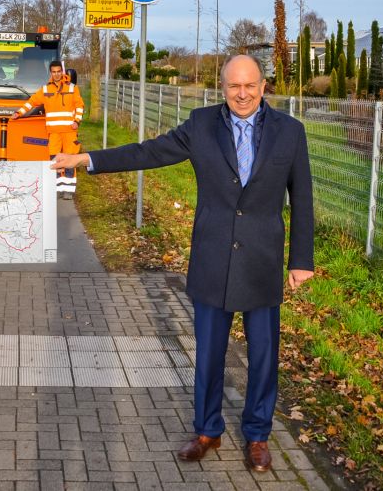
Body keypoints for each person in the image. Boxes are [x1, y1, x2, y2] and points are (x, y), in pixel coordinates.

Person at [51, 55, 314, 472]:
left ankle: (258, 435)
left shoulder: (290, 132)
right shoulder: (201, 124)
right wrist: (87, 160)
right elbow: (150, 152)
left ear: (264, 87)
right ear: (222, 88)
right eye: (233, 86)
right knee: (208, 355)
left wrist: (301, 260)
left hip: (262, 262)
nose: (242, 94)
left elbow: (302, 197)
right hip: (212, 259)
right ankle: (207, 431)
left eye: (250, 85)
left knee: (264, 356)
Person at [11, 61, 84, 199]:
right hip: (54, 132)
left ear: (62, 72)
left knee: (70, 159)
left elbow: (79, 106)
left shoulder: (72, 88)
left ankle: (68, 191)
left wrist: (77, 121)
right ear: (51, 73)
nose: (56, 74)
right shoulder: (45, 90)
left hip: (69, 131)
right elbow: (31, 102)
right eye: (54, 72)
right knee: (55, 160)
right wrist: (18, 113)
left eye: (58, 71)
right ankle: (57, 189)